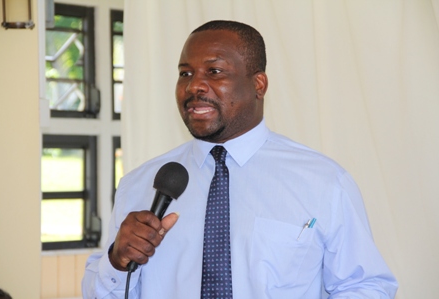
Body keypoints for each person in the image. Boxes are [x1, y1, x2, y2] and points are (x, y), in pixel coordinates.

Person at [82, 20, 398, 298]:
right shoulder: (140, 185)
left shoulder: (324, 181)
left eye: (214, 71)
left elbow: (366, 285)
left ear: (258, 84)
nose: (194, 86)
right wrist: (116, 261)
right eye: (185, 73)